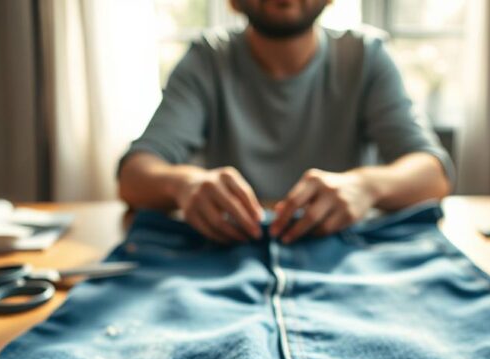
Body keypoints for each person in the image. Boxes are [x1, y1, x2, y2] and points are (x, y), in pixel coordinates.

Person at [117, 0, 455, 245]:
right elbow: (132, 177)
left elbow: (433, 174)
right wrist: (184, 185)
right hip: (226, 259)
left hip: (346, 258)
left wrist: (366, 186)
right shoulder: (207, 60)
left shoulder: (366, 56)